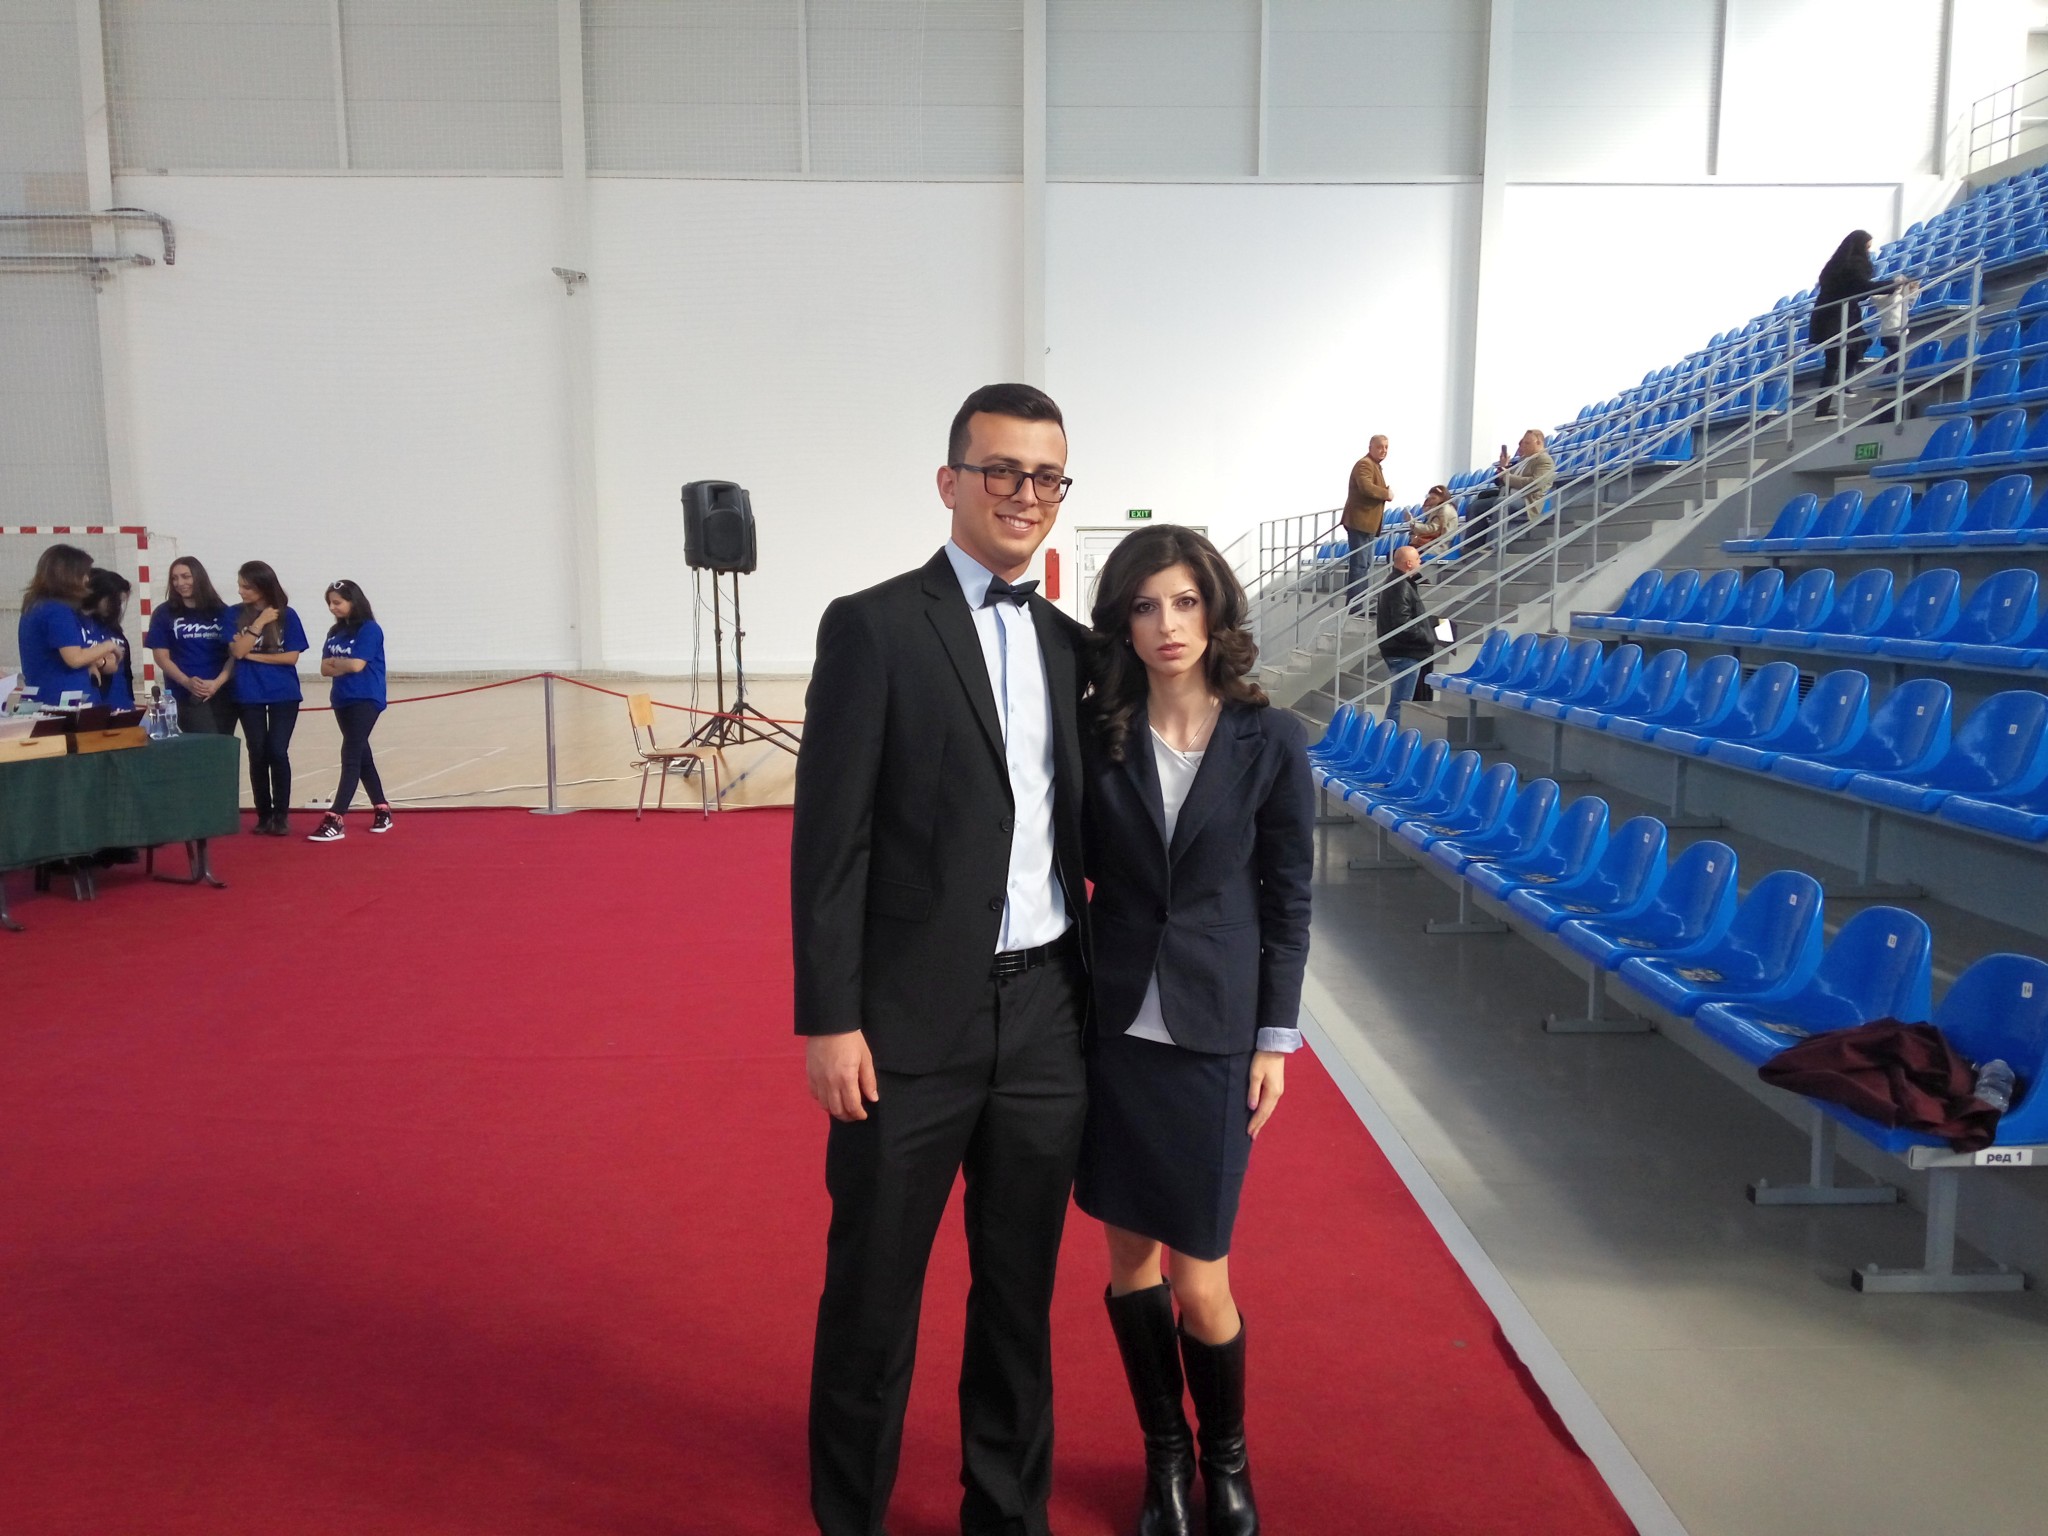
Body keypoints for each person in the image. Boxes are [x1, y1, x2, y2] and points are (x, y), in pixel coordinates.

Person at [791, 382, 1092, 1536]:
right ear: (949, 481)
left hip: (1046, 1021)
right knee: (872, 1299)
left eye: (1045, 476)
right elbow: (831, 843)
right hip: (905, 1028)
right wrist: (830, 1018)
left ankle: (1004, 1515)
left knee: (1017, 1302)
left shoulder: (1072, 648)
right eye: (1001, 470)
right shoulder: (871, 627)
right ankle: (850, 1517)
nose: (1024, 494)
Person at [1075, 523, 1314, 1536]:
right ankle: (1163, 1458)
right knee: (1129, 1262)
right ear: (1121, 624)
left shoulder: (1271, 738)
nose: (1166, 624)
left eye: (1183, 601)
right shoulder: (1098, 733)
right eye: (1144, 606)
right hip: (1113, 1027)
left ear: (1214, 611)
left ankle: (1227, 1458)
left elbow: (1289, 897)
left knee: (1198, 1274)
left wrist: (1276, 1038)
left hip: (1216, 1031)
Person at [307, 580, 393, 842]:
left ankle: (336, 816)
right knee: (361, 752)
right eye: (329, 603)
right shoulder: (335, 632)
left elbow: (357, 666)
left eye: (337, 602)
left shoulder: (370, 629)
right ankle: (382, 808)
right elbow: (324, 668)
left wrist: (339, 663)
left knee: (351, 752)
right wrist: (342, 663)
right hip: (342, 698)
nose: (332, 608)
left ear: (353, 601)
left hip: (365, 697)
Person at [228, 561, 308, 837]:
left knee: (277, 751)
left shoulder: (287, 615)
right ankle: (263, 814)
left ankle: (281, 815)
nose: (241, 591)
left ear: (263, 587)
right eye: (240, 586)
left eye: (247, 587)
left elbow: (291, 657)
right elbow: (237, 651)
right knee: (258, 752)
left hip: (283, 693)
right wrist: (259, 623)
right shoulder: (233, 614)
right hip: (248, 692)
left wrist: (252, 655)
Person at [1811, 229, 1906, 417]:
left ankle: (1840, 385)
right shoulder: (1854, 264)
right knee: (1833, 362)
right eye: (1867, 248)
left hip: (1831, 315)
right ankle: (1823, 409)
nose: (1868, 252)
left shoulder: (1836, 264)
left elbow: (1856, 290)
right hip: (1837, 317)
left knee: (1860, 343)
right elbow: (1863, 287)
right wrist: (1893, 285)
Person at [15, 544, 118, 708]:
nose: (87, 579)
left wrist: (92, 663)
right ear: (68, 575)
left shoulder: (35, 606)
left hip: (45, 697)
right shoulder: (56, 610)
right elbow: (75, 658)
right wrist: (108, 646)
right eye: (83, 574)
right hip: (61, 702)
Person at [147, 557, 238, 734]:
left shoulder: (222, 610)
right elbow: (161, 656)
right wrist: (186, 682)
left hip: (222, 691)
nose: (180, 583)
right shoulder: (164, 613)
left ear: (198, 576)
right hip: (186, 694)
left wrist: (217, 683)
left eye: (185, 576)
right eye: (174, 578)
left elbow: (234, 654)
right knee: (205, 743)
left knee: (224, 744)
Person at [1375, 544, 1435, 726]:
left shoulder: (1400, 582)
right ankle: (1389, 738)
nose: (1420, 562)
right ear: (1409, 563)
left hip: (1402, 651)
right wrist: (1428, 636)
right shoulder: (1400, 586)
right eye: (1417, 559)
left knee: (1401, 703)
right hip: (1405, 653)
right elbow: (1403, 625)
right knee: (1400, 704)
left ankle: (1391, 736)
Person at [1466, 429, 1554, 542]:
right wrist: (1504, 468)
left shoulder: (1544, 460)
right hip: (1510, 495)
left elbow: (1535, 484)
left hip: (1527, 500)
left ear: (1539, 443)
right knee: (1475, 506)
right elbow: (1505, 481)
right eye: (1523, 443)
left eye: (1527, 443)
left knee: (1501, 503)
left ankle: (1493, 544)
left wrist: (1507, 477)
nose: (1523, 446)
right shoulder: (1524, 459)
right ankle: (1473, 545)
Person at [1343, 435, 1391, 612]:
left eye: (1386, 447)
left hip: (1366, 524)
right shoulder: (1365, 464)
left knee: (1364, 565)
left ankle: (1359, 605)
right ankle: (1356, 607)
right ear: (1370, 447)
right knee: (1360, 566)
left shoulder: (1374, 465)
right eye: (1380, 447)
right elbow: (1366, 487)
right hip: (1360, 523)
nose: (1384, 451)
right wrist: (1386, 493)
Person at [82, 568, 136, 709]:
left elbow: (122, 669)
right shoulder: (80, 624)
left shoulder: (112, 628)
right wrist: (100, 661)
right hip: (96, 702)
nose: (117, 607)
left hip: (122, 702)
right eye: (115, 601)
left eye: (120, 603)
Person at [1408, 484, 1461, 550]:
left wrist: (1413, 524)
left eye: (1433, 498)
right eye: (1429, 498)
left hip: (1439, 545)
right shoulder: (1437, 508)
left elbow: (1433, 530)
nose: (1430, 500)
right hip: (1433, 543)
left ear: (1442, 498)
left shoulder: (1444, 509)